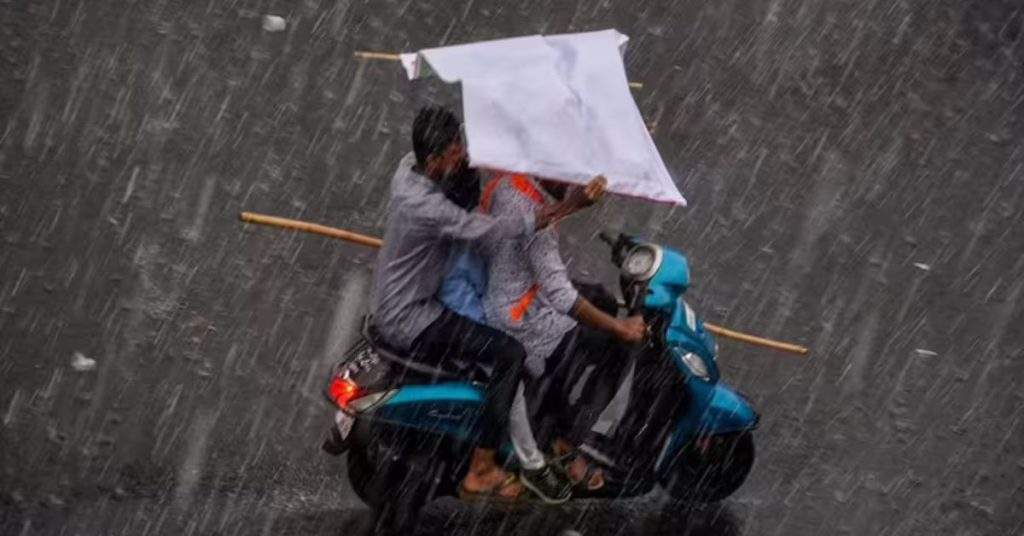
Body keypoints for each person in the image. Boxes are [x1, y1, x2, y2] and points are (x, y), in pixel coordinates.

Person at [369, 106, 606, 499]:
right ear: (434, 161)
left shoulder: (407, 167)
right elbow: (494, 232)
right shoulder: (430, 209)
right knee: (508, 355)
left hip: (399, 299)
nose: (463, 155)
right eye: (455, 154)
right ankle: (483, 468)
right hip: (412, 316)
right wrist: (569, 206)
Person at [480, 172, 646, 502]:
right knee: (617, 345)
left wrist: (571, 204)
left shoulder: (508, 183)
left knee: (600, 298)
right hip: (522, 320)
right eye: (565, 176)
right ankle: (567, 440)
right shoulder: (534, 217)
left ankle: (553, 410)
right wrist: (620, 328)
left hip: (504, 296)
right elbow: (562, 296)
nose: (570, 183)